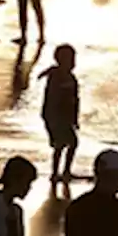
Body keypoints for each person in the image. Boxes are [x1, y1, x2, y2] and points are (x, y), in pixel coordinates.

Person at [39, 44, 79, 182]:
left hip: (66, 118)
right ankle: (56, 173)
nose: (73, 63)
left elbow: (76, 101)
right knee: (61, 145)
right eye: (70, 59)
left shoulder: (71, 78)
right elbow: (52, 99)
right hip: (55, 117)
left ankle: (64, 171)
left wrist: (75, 119)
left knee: (70, 143)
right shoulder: (56, 76)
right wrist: (50, 119)